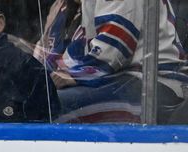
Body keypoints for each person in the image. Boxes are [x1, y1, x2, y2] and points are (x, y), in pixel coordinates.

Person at [51, 0, 188, 123]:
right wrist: (55, 71)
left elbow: (116, 43)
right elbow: (84, 46)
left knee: (53, 108)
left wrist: (75, 75)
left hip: (153, 85)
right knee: (49, 101)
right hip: (128, 79)